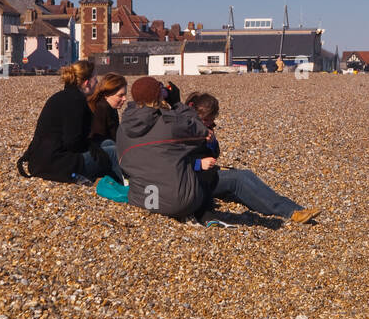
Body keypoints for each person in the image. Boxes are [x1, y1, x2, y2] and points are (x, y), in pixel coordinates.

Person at [183, 92, 319, 225]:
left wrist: (211, 143)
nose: (209, 123)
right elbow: (175, 162)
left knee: (245, 174)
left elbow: (214, 154)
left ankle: (297, 209)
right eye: (206, 120)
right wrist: (198, 164)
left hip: (206, 175)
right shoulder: (183, 130)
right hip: (193, 179)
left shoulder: (203, 128)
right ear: (195, 114)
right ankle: (290, 212)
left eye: (212, 119)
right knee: (238, 179)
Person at [116, 77, 217, 221]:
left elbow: (123, 163)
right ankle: (207, 216)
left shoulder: (123, 128)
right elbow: (200, 131)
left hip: (141, 200)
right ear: (159, 95)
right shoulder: (169, 122)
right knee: (208, 170)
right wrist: (176, 102)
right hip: (177, 203)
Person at [17, 60, 111, 183]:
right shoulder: (75, 101)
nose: (97, 82)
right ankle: (125, 186)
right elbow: (72, 142)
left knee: (107, 143)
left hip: (40, 160)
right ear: (87, 83)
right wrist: (91, 146)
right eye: (95, 78)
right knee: (112, 153)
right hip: (56, 164)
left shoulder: (62, 96)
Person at [88, 73, 128, 183]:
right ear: (106, 94)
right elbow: (99, 137)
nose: (124, 99)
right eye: (120, 95)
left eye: (125, 95)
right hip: (94, 153)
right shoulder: (102, 108)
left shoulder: (108, 107)